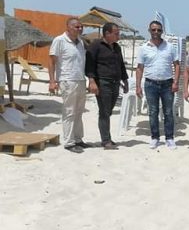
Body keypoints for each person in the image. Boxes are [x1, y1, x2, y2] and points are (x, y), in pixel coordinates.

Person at [135, 20, 180, 150]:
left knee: (168, 112)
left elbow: (177, 65)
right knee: (153, 112)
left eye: (159, 30)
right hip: (150, 84)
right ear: (149, 31)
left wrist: (175, 82)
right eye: (153, 29)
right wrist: (138, 86)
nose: (156, 32)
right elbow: (139, 68)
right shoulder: (143, 48)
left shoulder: (170, 47)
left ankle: (169, 138)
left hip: (167, 84)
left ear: (162, 31)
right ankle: (155, 137)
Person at [85, 22, 129, 150]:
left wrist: (125, 81)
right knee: (104, 111)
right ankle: (106, 141)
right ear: (107, 33)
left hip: (115, 83)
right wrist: (92, 81)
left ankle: (107, 137)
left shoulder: (117, 47)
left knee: (108, 111)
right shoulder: (96, 46)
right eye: (116, 33)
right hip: (102, 82)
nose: (118, 36)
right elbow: (89, 65)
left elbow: (121, 65)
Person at [49, 17, 89, 153]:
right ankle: (69, 142)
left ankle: (78, 139)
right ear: (68, 27)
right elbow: (51, 62)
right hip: (67, 80)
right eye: (77, 27)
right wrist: (52, 81)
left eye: (81, 27)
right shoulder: (59, 40)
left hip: (80, 80)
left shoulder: (80, 42)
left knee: (79, 112)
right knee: (69, 112)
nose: (80, 29)